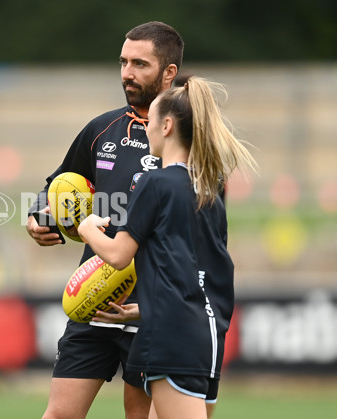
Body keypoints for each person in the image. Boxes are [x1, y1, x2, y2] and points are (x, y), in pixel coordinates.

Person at [26, 22, 184, 419]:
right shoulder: (102, 129)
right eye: (123, 62)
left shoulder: (189, 139)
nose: (127, 72)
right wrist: (40, 216)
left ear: (169, 72)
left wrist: (160, 302)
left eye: (139, 64)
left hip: (151, 308)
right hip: (93, 297)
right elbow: (59, 183)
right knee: (58, 415)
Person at [78, 77, 257, 419]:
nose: (145, 130)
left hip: (172, 335)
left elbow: (118, 255)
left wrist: (87, 228)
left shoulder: (156, 182)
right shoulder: (208, 188)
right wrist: (146, 307)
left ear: (168, 125)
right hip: (207, 334)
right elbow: (200, 273)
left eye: (150, 123)